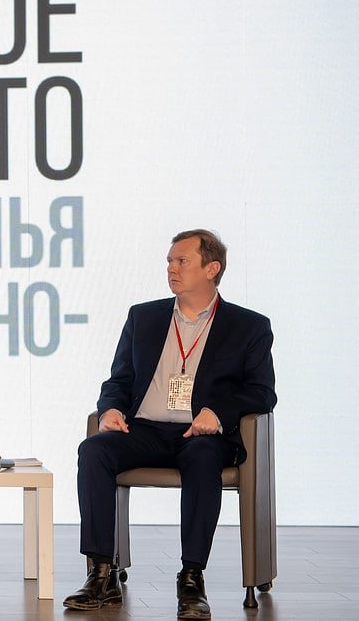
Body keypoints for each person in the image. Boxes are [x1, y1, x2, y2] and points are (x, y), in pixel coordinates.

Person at [63, 230, 276, 620]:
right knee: (94, 449)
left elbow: (262, 393)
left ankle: (191, 578)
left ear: (212, 268)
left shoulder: (249, 326)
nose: (172, 269)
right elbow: (119, 380)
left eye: (182, 261)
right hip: (145, 430)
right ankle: (101, 574)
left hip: (202, 434)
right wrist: (110, 409)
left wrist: (218, 413)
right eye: (169, 262)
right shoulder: (143, 317)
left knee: (202, 457)